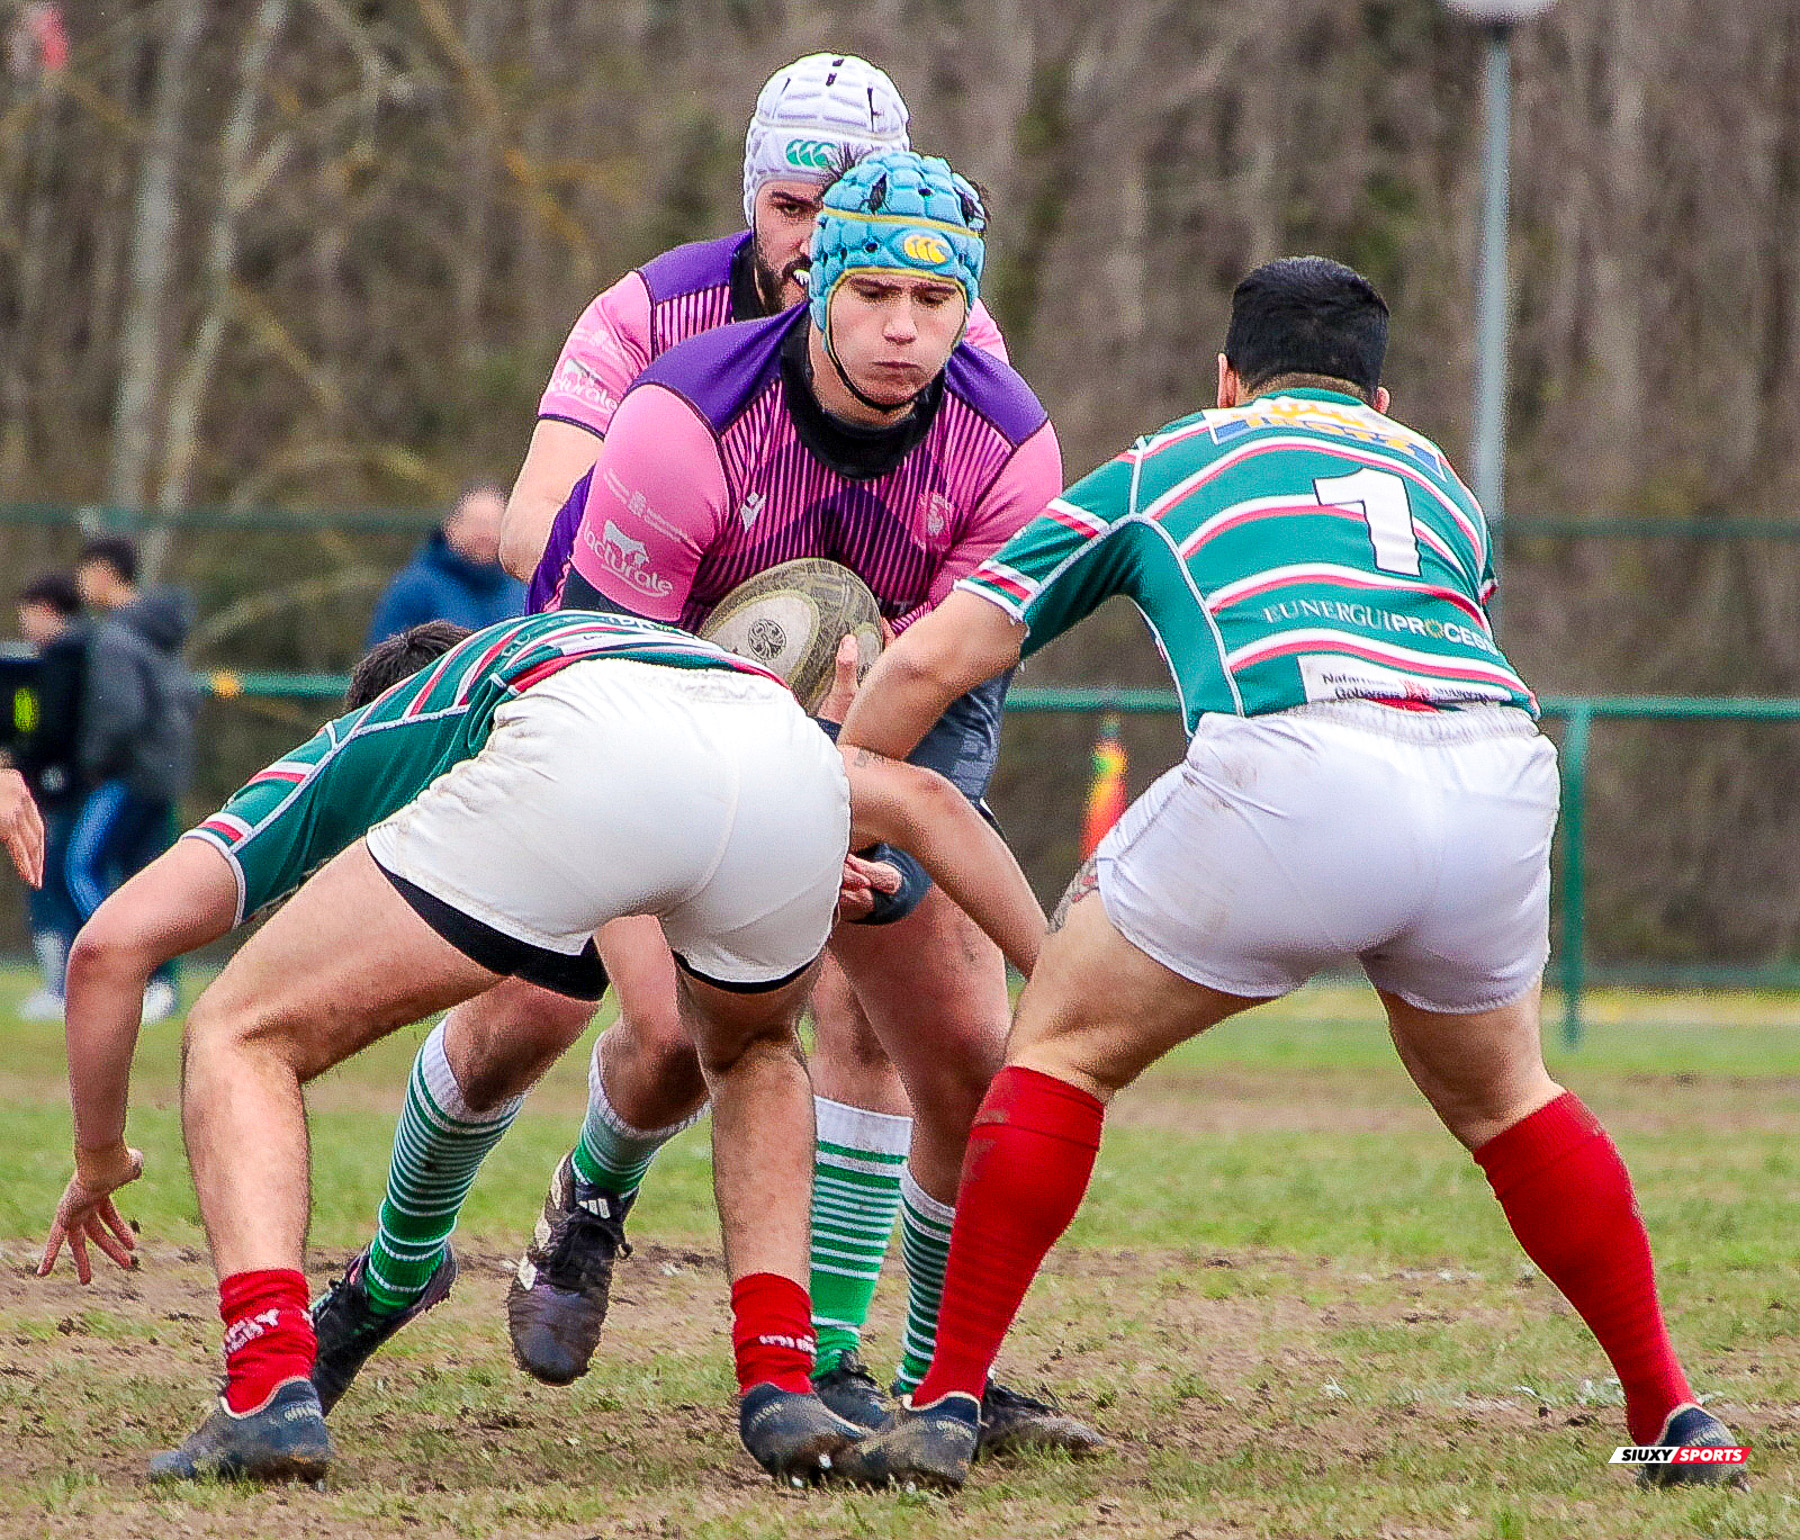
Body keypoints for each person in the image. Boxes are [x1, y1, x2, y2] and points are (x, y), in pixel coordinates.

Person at [830, 256, 1745, 1491]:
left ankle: (942, 1402)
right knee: (1509, 1098)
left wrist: (848, 786)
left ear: (1228, 377)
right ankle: (1676, 1413)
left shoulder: (1179, 458)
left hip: (1302, 761)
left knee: (1054, 1053)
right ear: (1379, 398)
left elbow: (940, 656)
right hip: (1494, 773)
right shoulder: (1440, 481)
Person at [43, 611, 1046, 1486]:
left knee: (240, 1029)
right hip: (777, 752)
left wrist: (99, 1159)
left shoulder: (396, 723)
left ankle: (267, 1386)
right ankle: (782, 1382)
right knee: (752, 1051)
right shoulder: (643, 654)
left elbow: (109, 945)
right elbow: (932, 804)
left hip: (581, 753)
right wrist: (1053, 973)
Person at [493, 55, 1010, 1407]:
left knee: (914, 1026)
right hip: (637, 684)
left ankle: (859, 1363)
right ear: (754, 196)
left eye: (836, 208)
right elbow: (525, 527)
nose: (808, 239)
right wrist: (718, 592)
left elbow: (977, 594)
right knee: (670, 1042)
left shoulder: (944, 332)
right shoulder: (652, 316)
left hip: (856, 725)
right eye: (790, 203)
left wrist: (867, 757)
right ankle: (588, 1204)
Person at [67, 536, 196, 1023]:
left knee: (81, 867)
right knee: (149, 882)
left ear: (104, 572)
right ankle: (159, 986)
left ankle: (115, 971)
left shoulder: (119, 637)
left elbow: (121, 712)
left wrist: (94, 762)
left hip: (129, 774)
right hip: (164, 771)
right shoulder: (158, 632)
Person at [9, 571, 87, 1017]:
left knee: (52, 878)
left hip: (60, 790)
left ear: (46, 610)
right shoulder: (39, 666)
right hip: (54, 784)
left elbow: (45, 727)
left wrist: (22, 759)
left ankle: (62, 988)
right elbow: (26, 718)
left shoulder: (65, 659)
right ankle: (58, 984)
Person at [365, 482, 524, 646]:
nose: (485, 534)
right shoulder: (415, 588)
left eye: (494, 524)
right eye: (476, 523)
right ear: (451, 527)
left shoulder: (522, 588)